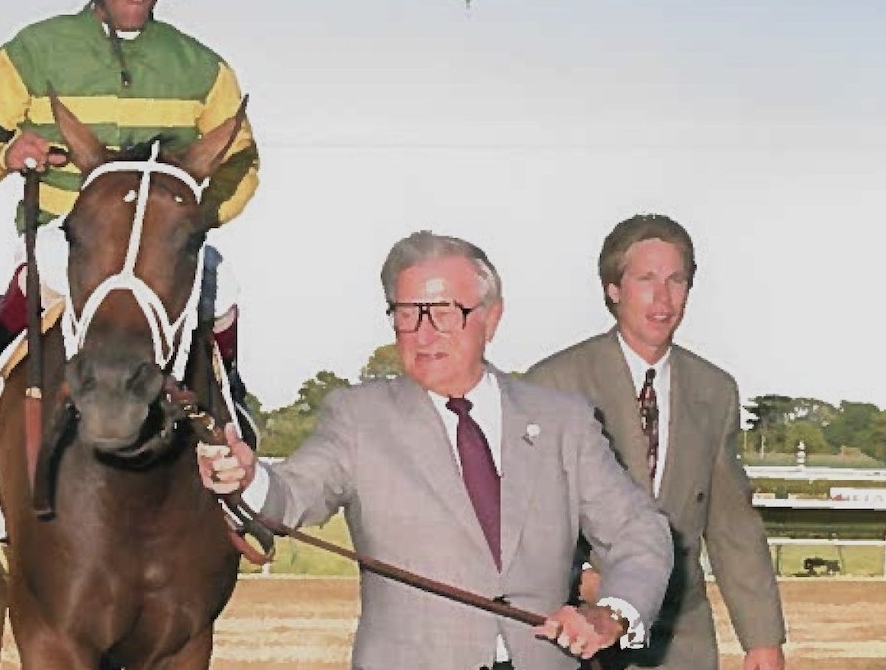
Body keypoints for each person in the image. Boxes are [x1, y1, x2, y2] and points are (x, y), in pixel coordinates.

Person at [199, 231, 673, 670]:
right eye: (407, 313)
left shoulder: (563, 420)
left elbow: (640, 533)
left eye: (445, 312)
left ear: (491, 317)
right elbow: (291, 494)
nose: (423, 334)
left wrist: (610, 615)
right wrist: (247, 479)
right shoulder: (356, 417)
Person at [0, 0, 259, 417]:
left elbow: (243, 165)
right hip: (69, 232)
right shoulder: (32, 51)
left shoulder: (206, 68)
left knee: (219, 284)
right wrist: (7, 154)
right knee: (41, 277)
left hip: (161, 246)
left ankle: (230, 400)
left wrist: (185, 222)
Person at [526, 214, 787, 670]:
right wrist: (584, 578)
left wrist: (762, 640)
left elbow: (732, 525)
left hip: (681, 642)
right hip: (580, 637)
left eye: (676, 280)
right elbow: (526, 520)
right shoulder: (552, 383)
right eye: (646, 279)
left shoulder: (715, 391)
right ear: (613, 288)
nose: (663, 298)